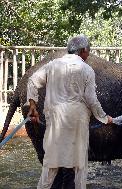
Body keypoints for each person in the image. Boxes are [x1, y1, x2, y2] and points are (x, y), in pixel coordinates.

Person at [27, 35, 112, 189]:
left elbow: (32, 81)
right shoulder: (87, 69)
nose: (88, 54)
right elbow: (91, 99)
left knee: (51, 163)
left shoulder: (52, 65)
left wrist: (32, 105)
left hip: (55, 120)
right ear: (84, 51)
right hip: (77, 122)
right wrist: (105, 118)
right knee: (79, 164)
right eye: (89, 51)